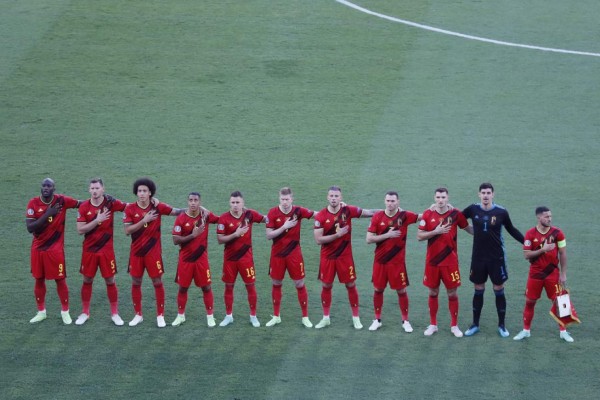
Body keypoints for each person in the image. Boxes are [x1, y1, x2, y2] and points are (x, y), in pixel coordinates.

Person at [462, 183, 524, 338]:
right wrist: (469, 229)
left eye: (488, 193)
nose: (485, 195)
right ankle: (475, 324)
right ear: (478, 194)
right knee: (478, 288)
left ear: (493, 194)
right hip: (478, 258)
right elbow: (457, 218)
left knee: (498, 288)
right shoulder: (472, 209)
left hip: (497, 258)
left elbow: (512, 230)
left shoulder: (501, 212)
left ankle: (502, 325)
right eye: (483, 192)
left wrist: (528, 242)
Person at [313, 185, 379, 330]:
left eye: (336, 196)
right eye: (331, 196)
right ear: (327, 197)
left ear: (341, 198)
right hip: (327, 258)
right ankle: (325, 318)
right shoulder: (321, 216)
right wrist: (337, 235)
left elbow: (370, 212)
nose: (334, 199)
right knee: (326, 286)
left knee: (350, 285)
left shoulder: (348, 210)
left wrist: (391, 211)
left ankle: (356, 318)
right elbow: (318, 240)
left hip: (345, 257)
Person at [123, 178, 183, 328]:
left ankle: (160, 316)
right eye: (139, 191)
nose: (142, 194)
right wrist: (145, 220)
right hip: (136, 253)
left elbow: (176, 212)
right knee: (136, 282)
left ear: (150, 193)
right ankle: (138, 315)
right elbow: (127, 231)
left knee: (157, 282)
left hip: (153, 253)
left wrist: (195, 209)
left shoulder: (158, 207)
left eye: (144, 191)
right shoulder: (130, 209)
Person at [417, 187, 472, 337]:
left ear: (448, 198)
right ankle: (433, 324)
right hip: (432, 262)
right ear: (434, 198)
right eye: (438, 197)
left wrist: (486, 230)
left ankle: (454, 326)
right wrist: (436, 231)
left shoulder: (455, 214)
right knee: (433, 292)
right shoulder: (428, 214)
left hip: (450, 262)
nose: (440, 200)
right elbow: (419, 236)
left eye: (443, 197)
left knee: (452, 293)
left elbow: (468, 229)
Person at [513, 206, 573, 342]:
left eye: (550, 216)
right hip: (535, 274)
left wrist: (563, 274)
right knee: (530, 302)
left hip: (553, 274)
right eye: (546, 217)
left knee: (561, 302)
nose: (549, 219)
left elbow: (563, 254)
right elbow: (526, 255)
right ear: (539, 217)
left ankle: (563, 331)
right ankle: (526, 330)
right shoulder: (530, 234)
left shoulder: (558, 233)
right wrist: (543, 249)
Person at [26, 178, 81, 324]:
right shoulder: (33, 203)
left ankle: (65, 312)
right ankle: (41, 312)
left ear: (53, 188)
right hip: (38, 249)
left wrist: (100, 199)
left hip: (55, 250)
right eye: (43, 185)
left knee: (60, 279)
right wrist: (48, 214)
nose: (45, 188)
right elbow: (30, 227)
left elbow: (81, 204)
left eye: (48, 186)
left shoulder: (62, 201)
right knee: (39, 279)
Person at [366, 191, 421, 332]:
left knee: (401, 291)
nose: (390, 203)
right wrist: (387, 235)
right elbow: (369, 239)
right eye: (388, 201)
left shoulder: (405, 216)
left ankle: (405, 321)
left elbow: (422, 217)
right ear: (384, 201)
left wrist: (435, 207)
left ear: (398, 202)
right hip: (380, 261)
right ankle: (377, 319)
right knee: (378, 289)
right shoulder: (377, 217)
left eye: (393, 201)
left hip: (397, 263)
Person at [75, 178, 128, 326]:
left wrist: (151, 202)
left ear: (103, 189)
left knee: (110, 280)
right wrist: (97, 220)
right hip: (89, 251)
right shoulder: (84, 207)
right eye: (92, 188)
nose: (94, 191)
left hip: (106, 251)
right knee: (87, 280)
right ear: (89, 190)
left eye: (97, 188)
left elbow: (129, 208)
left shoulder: (110, 204)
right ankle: (85, 312)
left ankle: (115, 314)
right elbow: (80, 230)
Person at [265, 187, 316, 328]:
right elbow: (268, 235)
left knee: (299, 284)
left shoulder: (298, 211)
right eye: (282, 199)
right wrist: (284, 226)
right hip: (277, 255)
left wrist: (338, 210)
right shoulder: (272, 212)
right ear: (279, 199)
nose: (285, 202)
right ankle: (276, 316)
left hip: (294, 254)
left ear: (292, 199)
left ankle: (305, 317)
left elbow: (319, 215)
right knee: (276, 283)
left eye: (287, 199)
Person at [216, 191, 266, 327]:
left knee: (250, 286)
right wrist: (236, 234)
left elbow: (266, 219)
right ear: (229, 203)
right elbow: (220, 240)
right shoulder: (224, 218)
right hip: (230, 259)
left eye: (238, 202)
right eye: (233, 202)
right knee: (228, 286)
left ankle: (253, 316)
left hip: (246, 259)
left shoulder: (250, 215)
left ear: (243, 203)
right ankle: (228, 316)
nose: (235, 205)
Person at [171, 192, 219, 328]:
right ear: (187, 201)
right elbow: (175, 240)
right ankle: (180, 316)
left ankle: (210, 316)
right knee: (183, 288)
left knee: (206, 287)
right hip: (185, 260)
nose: (193, 203)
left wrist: (208, 211)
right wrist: (193, 235)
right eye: (191, 200)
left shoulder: (205, 216)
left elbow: (220, 220)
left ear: (200, 202)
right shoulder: (181, 218)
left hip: (201, 260)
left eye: (195, 200)